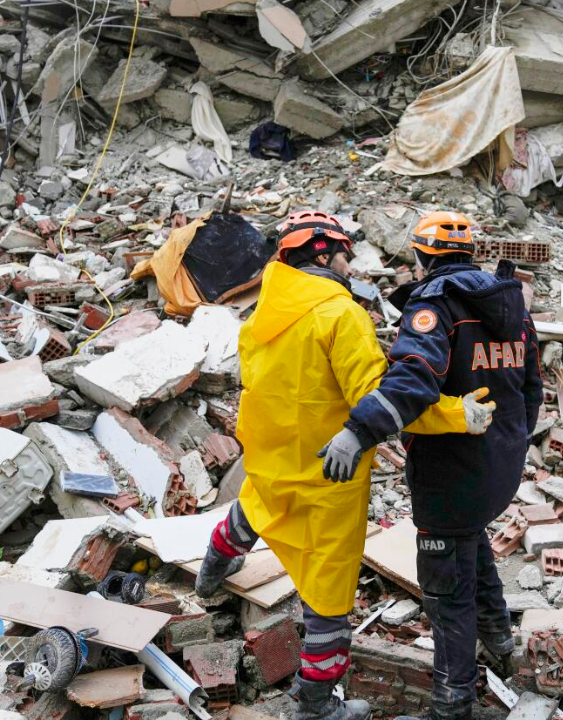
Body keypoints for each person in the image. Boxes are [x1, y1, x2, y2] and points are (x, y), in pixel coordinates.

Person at [193, 210, 496, 720]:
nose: (350, 266)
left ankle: (209, 579)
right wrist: (457, 414)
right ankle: (315, 706)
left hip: (269, 464)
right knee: (328, 603)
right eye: (344, 255)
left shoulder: (263, 314)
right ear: (321, 253)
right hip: (327, 479)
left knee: (248, 517)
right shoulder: (341, 316)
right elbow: (379, 401)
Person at [319, 211, 543, 720]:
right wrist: (510, 443)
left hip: (450, 472)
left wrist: (359, 431)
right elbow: (531, 387)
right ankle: (500, 642)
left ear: (423, 257)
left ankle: (452, 701)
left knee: (446, 590)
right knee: (471, 539)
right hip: (499, 464)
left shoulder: (434, 305)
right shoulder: (510, 302)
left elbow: (414, 381)